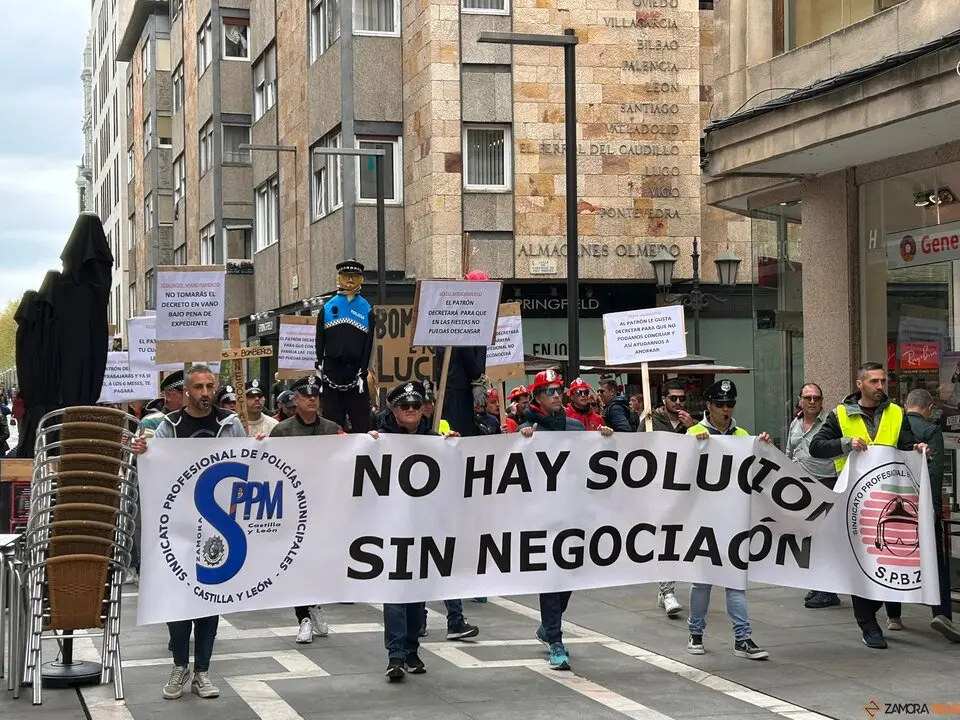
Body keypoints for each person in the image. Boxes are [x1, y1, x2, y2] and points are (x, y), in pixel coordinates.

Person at [129, 363, 247, 700]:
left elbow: (250, 463)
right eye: (198, 388)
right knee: (178, 599)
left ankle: (203, 672)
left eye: (210, 387)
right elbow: (156, 465)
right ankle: (179, 665)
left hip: (219, 525)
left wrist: (263, 447)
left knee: (210, 599)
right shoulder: (170, 425)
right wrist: (145, 453)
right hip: (179, 526)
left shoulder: (230, 423)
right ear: (185, 392)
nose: (206, 394)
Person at [809, 361, 927, 650]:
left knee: (888, 561)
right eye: (874, 381)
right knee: (863, 564)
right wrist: (847, 443)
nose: (880, 387)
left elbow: (906, 444)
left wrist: (917, 448)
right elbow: (816, 448)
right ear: (860, 384)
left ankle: (873, 613)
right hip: (854, 502)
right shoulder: (839, 415)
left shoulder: (896, 413)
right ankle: (868, 624)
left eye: (883, 381)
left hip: (890, 501)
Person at [520, 369, 614, 671]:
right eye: (549, 391)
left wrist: (606, 440)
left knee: (569, 574)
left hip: (573, 512)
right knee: (551, 577)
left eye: (559, 389)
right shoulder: (527, 429)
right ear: (537, 397)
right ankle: (556, 640)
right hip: (542, 515)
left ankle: (549, 626)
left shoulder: (575, 426)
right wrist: (521, 441)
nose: (557, 395)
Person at [368, 381, 461, 680]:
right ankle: (395, 654)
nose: (410, 411)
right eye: (404, 406)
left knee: (416, 593)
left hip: (423, 528)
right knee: (395, 591)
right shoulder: (379, 440)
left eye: (416, 406)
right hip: (390, 527)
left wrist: (455, 448)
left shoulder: (434, 440)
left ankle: (411, 649)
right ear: (393, 409)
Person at [687, 379, 771, 660]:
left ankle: (742, 638)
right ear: (709, 406)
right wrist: (693, 448)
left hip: (734, 518)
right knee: (703, 581)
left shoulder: (743, 434)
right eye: (720, 404)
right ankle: (695, 632)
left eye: (730, 403)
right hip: (703, 519)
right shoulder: (693, 433)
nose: (726, 409)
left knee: (736, 579)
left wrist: (763, 448)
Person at [269, 374, 342, 642]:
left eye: (315, 395)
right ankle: (303, 618)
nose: (312, 399)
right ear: (295, 401)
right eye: (306, 396)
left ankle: (315, 606)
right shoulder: (282, 432)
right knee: (299, 561)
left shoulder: (332, 429)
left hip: (324, 506)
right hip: (294, 506)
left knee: (320, 561)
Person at [903, 389, 959, 642]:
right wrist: (934, 508)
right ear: (929, 407)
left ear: (906, 405)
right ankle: (942, 613)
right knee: (936, 560)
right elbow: (934, 473)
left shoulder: (894, 428)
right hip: (923, 505)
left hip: (898, 505)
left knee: (899, 558)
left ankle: (893, 615)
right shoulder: (930, 431)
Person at [641, 379, 694, 618]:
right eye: (674, 398)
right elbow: (636, 451)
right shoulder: (651, 422)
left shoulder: (690, 423)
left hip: (685, 490)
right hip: (658, 489)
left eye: (682, 398)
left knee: (681, 540)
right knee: (665, 539)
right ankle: (667, 590)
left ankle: (666, 590)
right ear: (664, 399)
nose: (678, 402)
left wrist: (691, 427)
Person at [785, 382, 841, 609]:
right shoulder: (795, 423)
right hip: (801, 488)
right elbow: (790, 451)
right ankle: (818, 586)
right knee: (808, 539)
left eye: (816, 398)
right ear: (800, 399)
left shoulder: (830, 422)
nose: (812, 402)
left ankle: (828, 591)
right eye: (807, 397)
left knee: (824, 540)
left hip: (824, 484)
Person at [315, 259, 375, 433]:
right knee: (331, 425)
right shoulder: (327, 307)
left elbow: (369, 344)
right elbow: (319, 341)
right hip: (332, 372)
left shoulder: (366, 308)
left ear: (361, 279)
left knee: (362, 423)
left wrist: (363, 370)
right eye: (346, 276)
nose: (350, 280)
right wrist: (319, 368)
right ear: (338, 277)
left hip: (357, 374)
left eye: (354, 276)